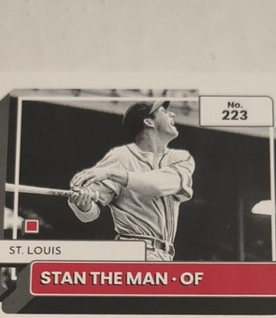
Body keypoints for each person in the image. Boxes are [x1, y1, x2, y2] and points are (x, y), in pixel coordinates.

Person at [67, 100, 194, 261]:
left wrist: (111, 173)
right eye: (163, 111)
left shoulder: (181, 158)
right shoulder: (121, 157)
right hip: (132, 250)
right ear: (148, 122)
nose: (172, 114)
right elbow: (89, 214)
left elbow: (157, 185)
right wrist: (83, 204)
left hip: (164, 256)